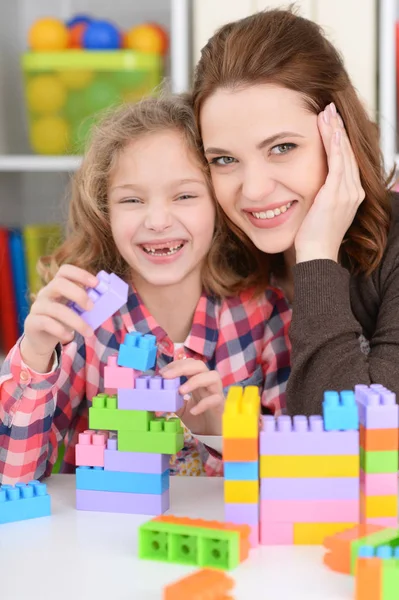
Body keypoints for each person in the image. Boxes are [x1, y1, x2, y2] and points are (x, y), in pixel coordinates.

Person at [0, 95, 291, 484]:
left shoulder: (265, 316)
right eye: (132, 199)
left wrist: (222, 432)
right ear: (106, 213)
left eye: (185, 195)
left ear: (219, 205)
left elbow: (295, 481)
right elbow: (14, 476)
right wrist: (35, 355)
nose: (157, 220)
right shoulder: (84, 324)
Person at [191, 7, 399, 415]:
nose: (253, 189)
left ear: (340, 138)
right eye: (224, 159)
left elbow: (358, 442)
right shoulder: (206, 250)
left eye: (282, 148)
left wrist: (317, 255)